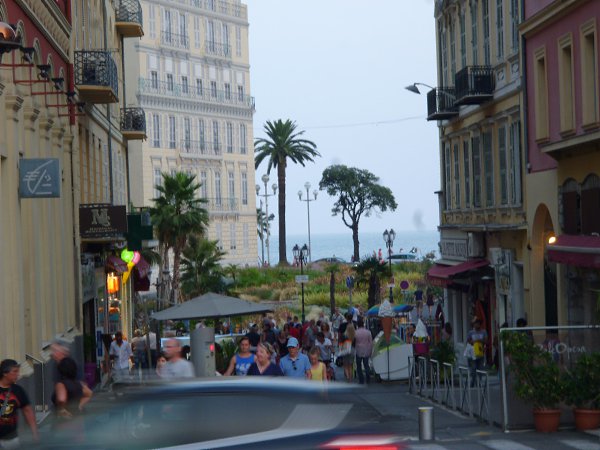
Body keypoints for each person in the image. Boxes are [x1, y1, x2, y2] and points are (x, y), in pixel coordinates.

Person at [0, 359, 38, 447]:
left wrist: (34, 433)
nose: (18, 374)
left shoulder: (18, 390)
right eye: (15, 371)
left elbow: (28, 411)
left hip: (11, 439)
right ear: (5, 373)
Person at [467, 318, 488, 387]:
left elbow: (486, 341)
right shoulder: (471, 332)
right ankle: (473, 380)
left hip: (481, 353)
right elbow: (468, 341)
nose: (477, 325)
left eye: (478, 323)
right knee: (473, 368)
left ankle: (479, 382)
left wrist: (480, 340)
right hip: (473, 354)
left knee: (480, 368)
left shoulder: (483, 332)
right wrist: (472, 342)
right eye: (475, 323)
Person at [354, 318, 373, 385]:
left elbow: (354, 341)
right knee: (366, 365)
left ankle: (361, 380)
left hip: (358, 350)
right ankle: (368, 379)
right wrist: (370, 351)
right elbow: (371, 342)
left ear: (357, 325)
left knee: (359, 366)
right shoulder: (368, 332)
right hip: (366, 350)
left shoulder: (355, 332)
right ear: (363, 324)